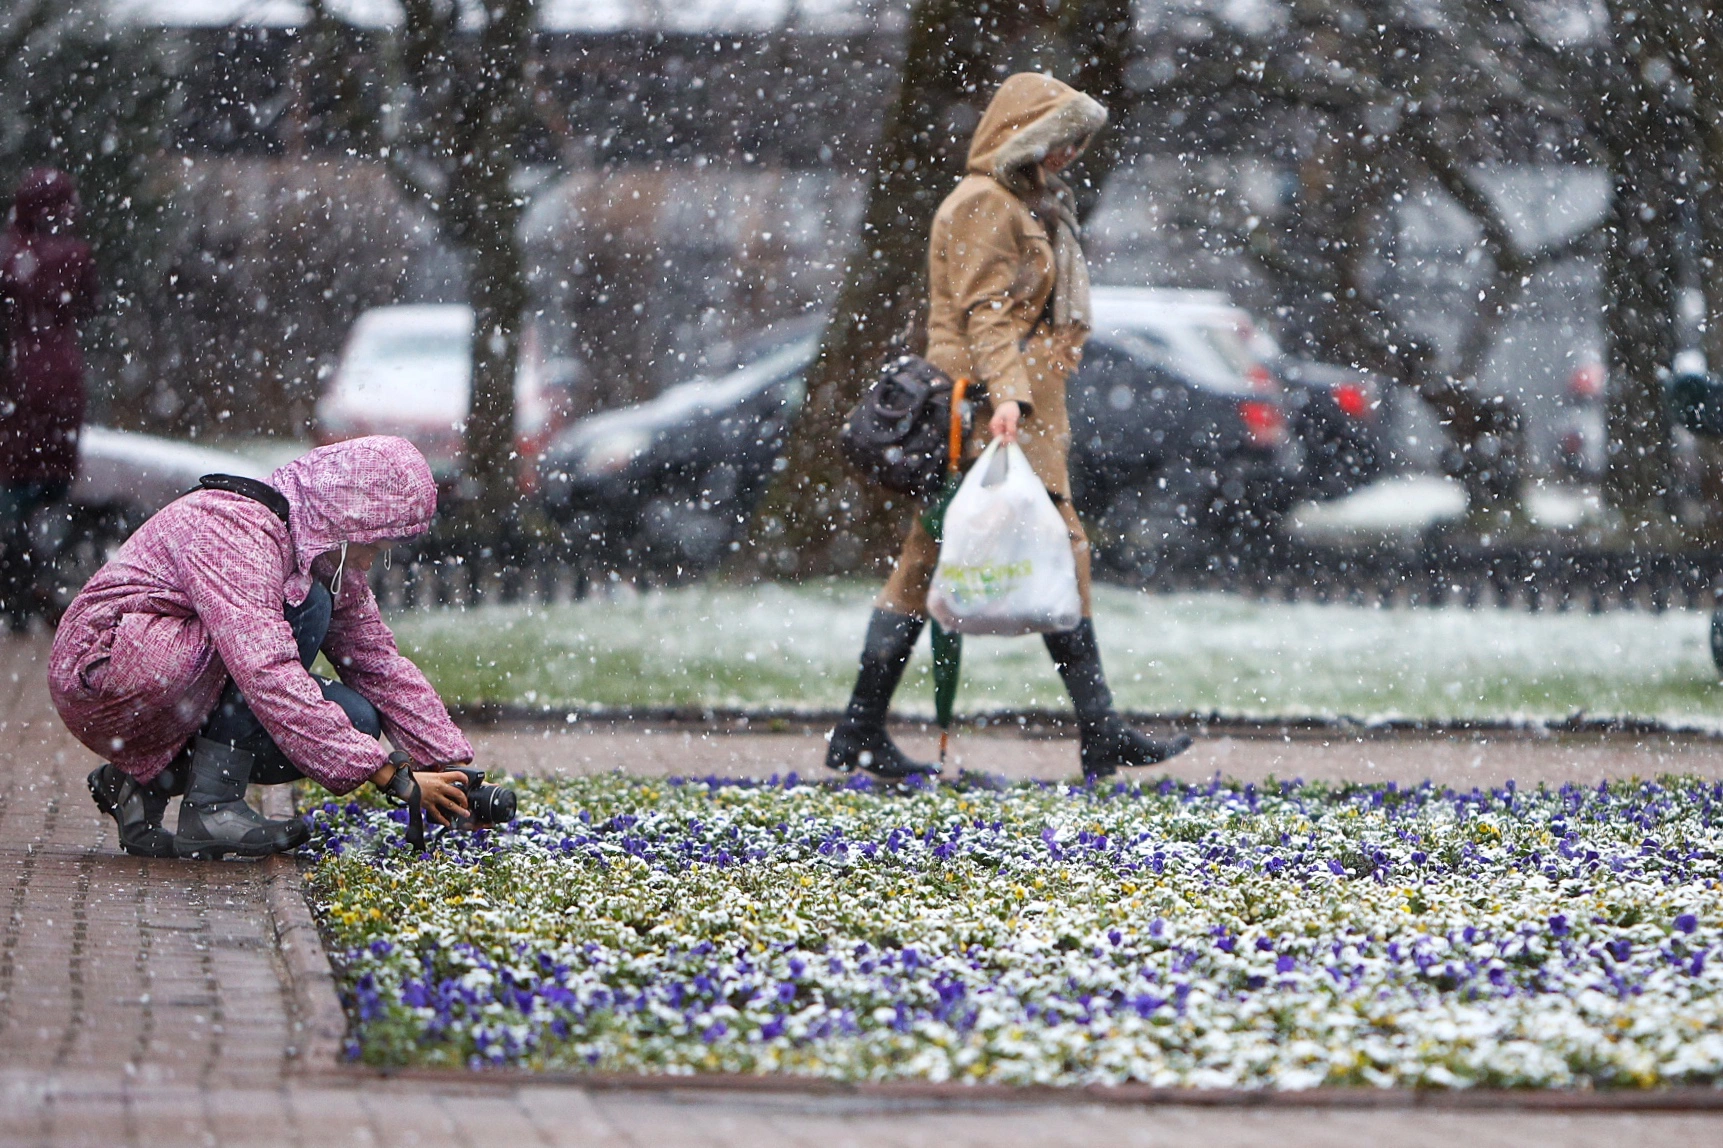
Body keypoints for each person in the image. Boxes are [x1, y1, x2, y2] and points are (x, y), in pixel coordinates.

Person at [826, 73, 1193, 782]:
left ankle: (861, 729)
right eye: (1060, 140)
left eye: (1076, 143)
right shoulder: (983, 205)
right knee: (1048, 550)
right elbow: (984, 314)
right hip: (985, 409)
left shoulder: (1030, 207)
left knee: (926, 565)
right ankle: (1098, 728)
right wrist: (1009, 401)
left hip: (1014, 405)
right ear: (1022, 137)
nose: (1069, 156)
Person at [49, 435, 475, 858]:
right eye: (370, 547)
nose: (366, 563)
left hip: (170, 676)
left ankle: (139, 785)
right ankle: (212, 807)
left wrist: (450, 769)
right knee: (305, 606)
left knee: (357, 718)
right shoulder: (238, 529)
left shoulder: (317, 549)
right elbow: (265, 669)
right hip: (102, 670)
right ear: (348, 519)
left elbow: (376, 663)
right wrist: (389, 775)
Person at [0, 168, 99, 631]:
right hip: (63, 378)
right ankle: (41, 573)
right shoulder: (76, 256)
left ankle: (19, 580)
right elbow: (88, 305)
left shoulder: (8, 252)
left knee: (15, 483)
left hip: (16, 377)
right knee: (52, 482)